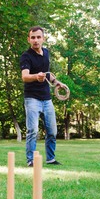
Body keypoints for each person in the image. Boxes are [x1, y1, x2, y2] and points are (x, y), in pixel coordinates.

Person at [20, 26, 61, 167]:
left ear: (43, 38)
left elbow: (47, 73)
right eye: (33, 37)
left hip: (47, 98)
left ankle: (50, 158)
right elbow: (25, 77)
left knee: (52, 131)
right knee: (33, 130)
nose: (36, 40)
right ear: (29, 39)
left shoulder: (46, 53)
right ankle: (31, 160)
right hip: (32, 98)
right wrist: (36, 77)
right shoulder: (26, 56)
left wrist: (56, 82)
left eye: (38, 37)